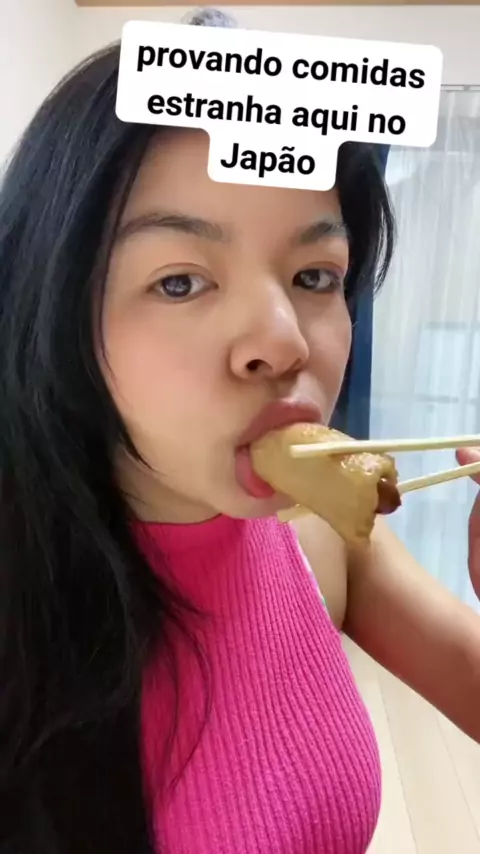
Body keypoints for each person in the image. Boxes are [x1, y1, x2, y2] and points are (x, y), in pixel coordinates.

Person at [1, 9, 480, 854]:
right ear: (58, 313)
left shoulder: (328, 536)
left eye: (314, 275)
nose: (284, 341)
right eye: (180, 282)